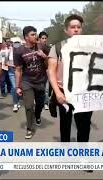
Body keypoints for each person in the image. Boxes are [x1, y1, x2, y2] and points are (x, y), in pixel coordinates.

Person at [48, 14, 93, 143]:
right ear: (66, 30)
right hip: (64, 93)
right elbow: (51, 72)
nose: (76, 29)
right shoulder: (57, 48)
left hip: (84, 93)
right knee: (65, 126)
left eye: (79, 27)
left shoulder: (91, 47)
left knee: (84, 127)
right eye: (73, 27)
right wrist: (57, 93)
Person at [14, 26, 49, 139]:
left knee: (39, 104)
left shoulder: (42, 46)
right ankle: (29, 128)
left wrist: (44, 57)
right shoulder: (19, 51)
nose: (36, 36)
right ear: (26, 37)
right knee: (28, 106)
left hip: (40, 81)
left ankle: (37, 115)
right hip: (27, 81)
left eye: (36, 34)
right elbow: (18, 70)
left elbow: (51, 63)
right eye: (33, 34)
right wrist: (18, 87)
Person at [4, 40, 21, 112]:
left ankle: (18, 101)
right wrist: (12, 65)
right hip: (11, 72)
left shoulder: (21, 52)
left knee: (19, 88)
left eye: (18, 45)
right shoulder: (9, 52)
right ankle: (15, 103)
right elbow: (5, 63)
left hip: (20, 72)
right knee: (14, 87)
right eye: (15, 44)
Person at [38, 31, 52, 110]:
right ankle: (38, 101)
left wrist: (45, 56)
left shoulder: (49, 48)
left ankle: (46, 103)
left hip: (46, 70)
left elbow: (51, 60)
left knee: (46, 89)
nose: (44, 40)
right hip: (37, 71)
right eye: (42, 38)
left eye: (45, 38)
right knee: (38, 88)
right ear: (39, 39)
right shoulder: (35, 48)